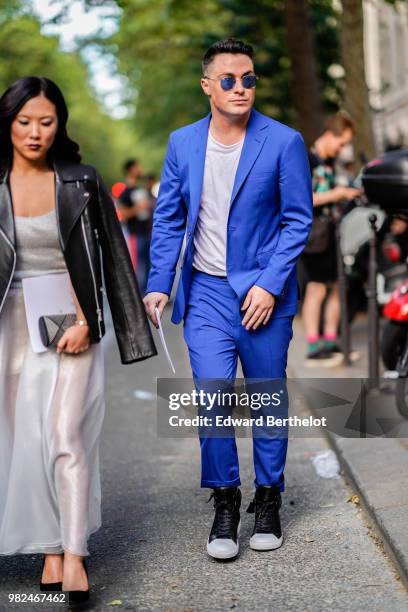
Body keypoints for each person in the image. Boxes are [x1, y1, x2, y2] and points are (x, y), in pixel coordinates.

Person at [144, 39, 312, 560]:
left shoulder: (283, 142)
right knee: (212, 395)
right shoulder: (183, 143)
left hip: (263, 291)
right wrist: (158, 282)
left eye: (249, 79)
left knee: (265, 396)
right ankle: (224, 498)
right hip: (207, 291)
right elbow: (170, 217)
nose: (241, 88)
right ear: (207, 85)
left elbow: (297, 219)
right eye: (229, 80)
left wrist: (268, 283)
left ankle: (268, 498)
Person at [0, 77, 157, 605]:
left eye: (46, 121)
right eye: (25, 121)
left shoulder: (81, 181)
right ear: (8, 123)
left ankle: (73, 554)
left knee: (66, 433)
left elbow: (112, 258)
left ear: (59, 124)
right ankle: (47, 545)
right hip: (10, 325)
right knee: (27, 439)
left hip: (71, 318)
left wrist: (91, 320)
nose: (36, 132)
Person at [300, 113, 362, 367]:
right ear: (329, 135)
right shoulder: (306, 160)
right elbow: (301, 199)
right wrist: (337, 194)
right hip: (313, 234)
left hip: (331, 232)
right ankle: (314, 346)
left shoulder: (330, 162)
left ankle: (329, 340)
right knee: (315, 288)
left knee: (337, 286)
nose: (343, 148)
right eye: (342, 142)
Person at [118, 159, 153, 293]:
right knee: (138, 267)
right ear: (131, 169)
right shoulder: (125, 191)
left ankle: (148, 294)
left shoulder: (142, 189)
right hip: (135, 235)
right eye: (138, 166)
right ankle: (138, 297)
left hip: (148, 233)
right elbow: (123, 214)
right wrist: (138, 208)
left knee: (149, 266)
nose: (140, 169)